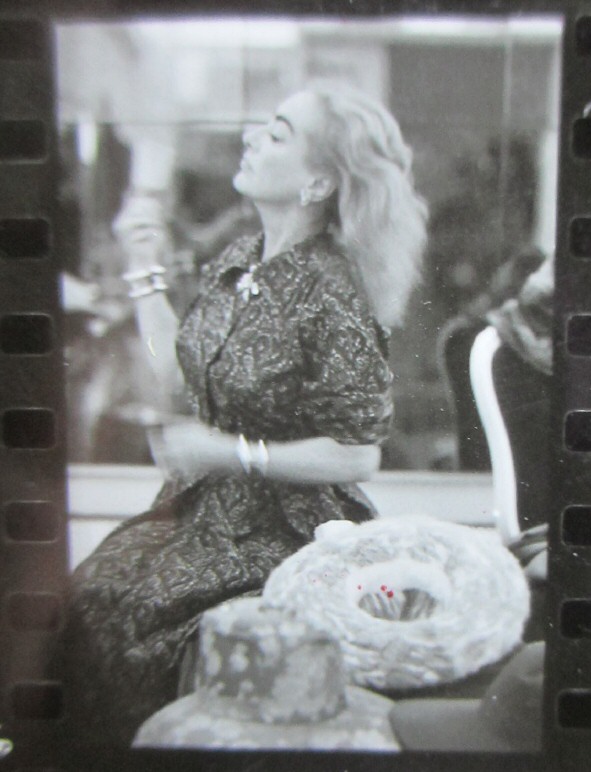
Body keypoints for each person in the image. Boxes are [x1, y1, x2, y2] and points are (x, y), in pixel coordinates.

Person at [58, 84, 428, 745]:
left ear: (316, 183)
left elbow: (357, 454)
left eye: (278, 133)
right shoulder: (241, 259)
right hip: (204, 510)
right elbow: (178, 369)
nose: (252, 138)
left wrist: (227, 453)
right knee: (89, 594)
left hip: (284, 531)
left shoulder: (334, 293)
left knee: (144, 622)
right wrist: (145, 272)